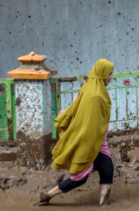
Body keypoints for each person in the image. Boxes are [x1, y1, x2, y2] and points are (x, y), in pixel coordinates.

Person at [36, 59, 114, 207]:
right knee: (80, 177)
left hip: (98, 141)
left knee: (107, 169)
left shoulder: (89, 88)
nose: (110, 77)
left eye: (111, 74)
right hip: (89, 141)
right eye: (109, 74)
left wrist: (68, 111)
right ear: (101, 73)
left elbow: (78, 106)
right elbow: (86, 115)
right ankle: (47, 195)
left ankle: (103, 204)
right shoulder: (96, 96)